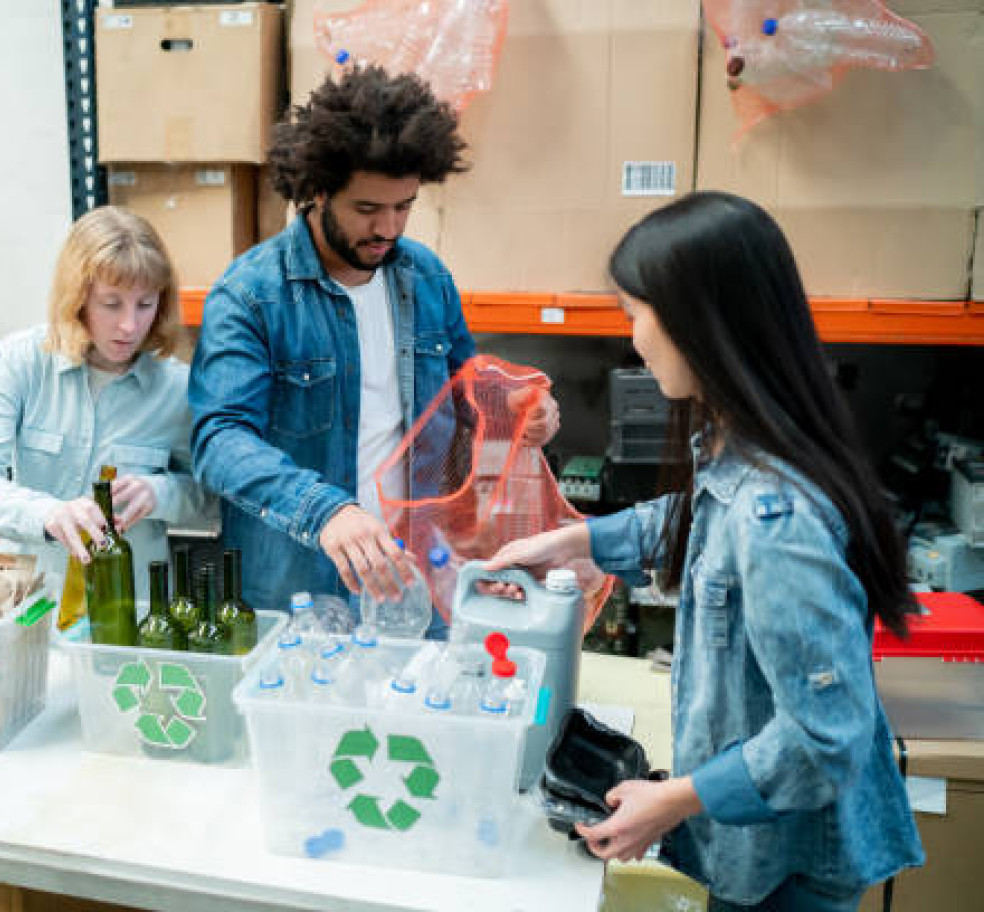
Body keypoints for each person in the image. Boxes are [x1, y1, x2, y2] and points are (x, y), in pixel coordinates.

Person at [486, 192, 923, 910]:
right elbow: (698, 524)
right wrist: (577, 540)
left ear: (701, 322)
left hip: (789, 871)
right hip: (759, 853)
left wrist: (676, 800)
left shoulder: (777, 516)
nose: (635, 342)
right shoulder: (743, 449)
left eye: (636, 316)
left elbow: (824, 737)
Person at [189, 65, 558, 628]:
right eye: (366, 210)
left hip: (417, 577)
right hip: (300, 590)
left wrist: (516, 409)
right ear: (317, 192)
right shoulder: (250, 296)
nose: (388, 227)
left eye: (404, 206)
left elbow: (467, 395)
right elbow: (219, 440)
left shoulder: (426, 278)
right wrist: (327, 511)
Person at [0, 206, 210, 603]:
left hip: (132, 610)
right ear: (77, 299)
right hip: (30, 605)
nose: (129, 325)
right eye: (111, 303)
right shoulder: (23, 361)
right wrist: (47, 514)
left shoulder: (177, 388)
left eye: (145, 304)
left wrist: (162, 493)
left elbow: (216, 498)